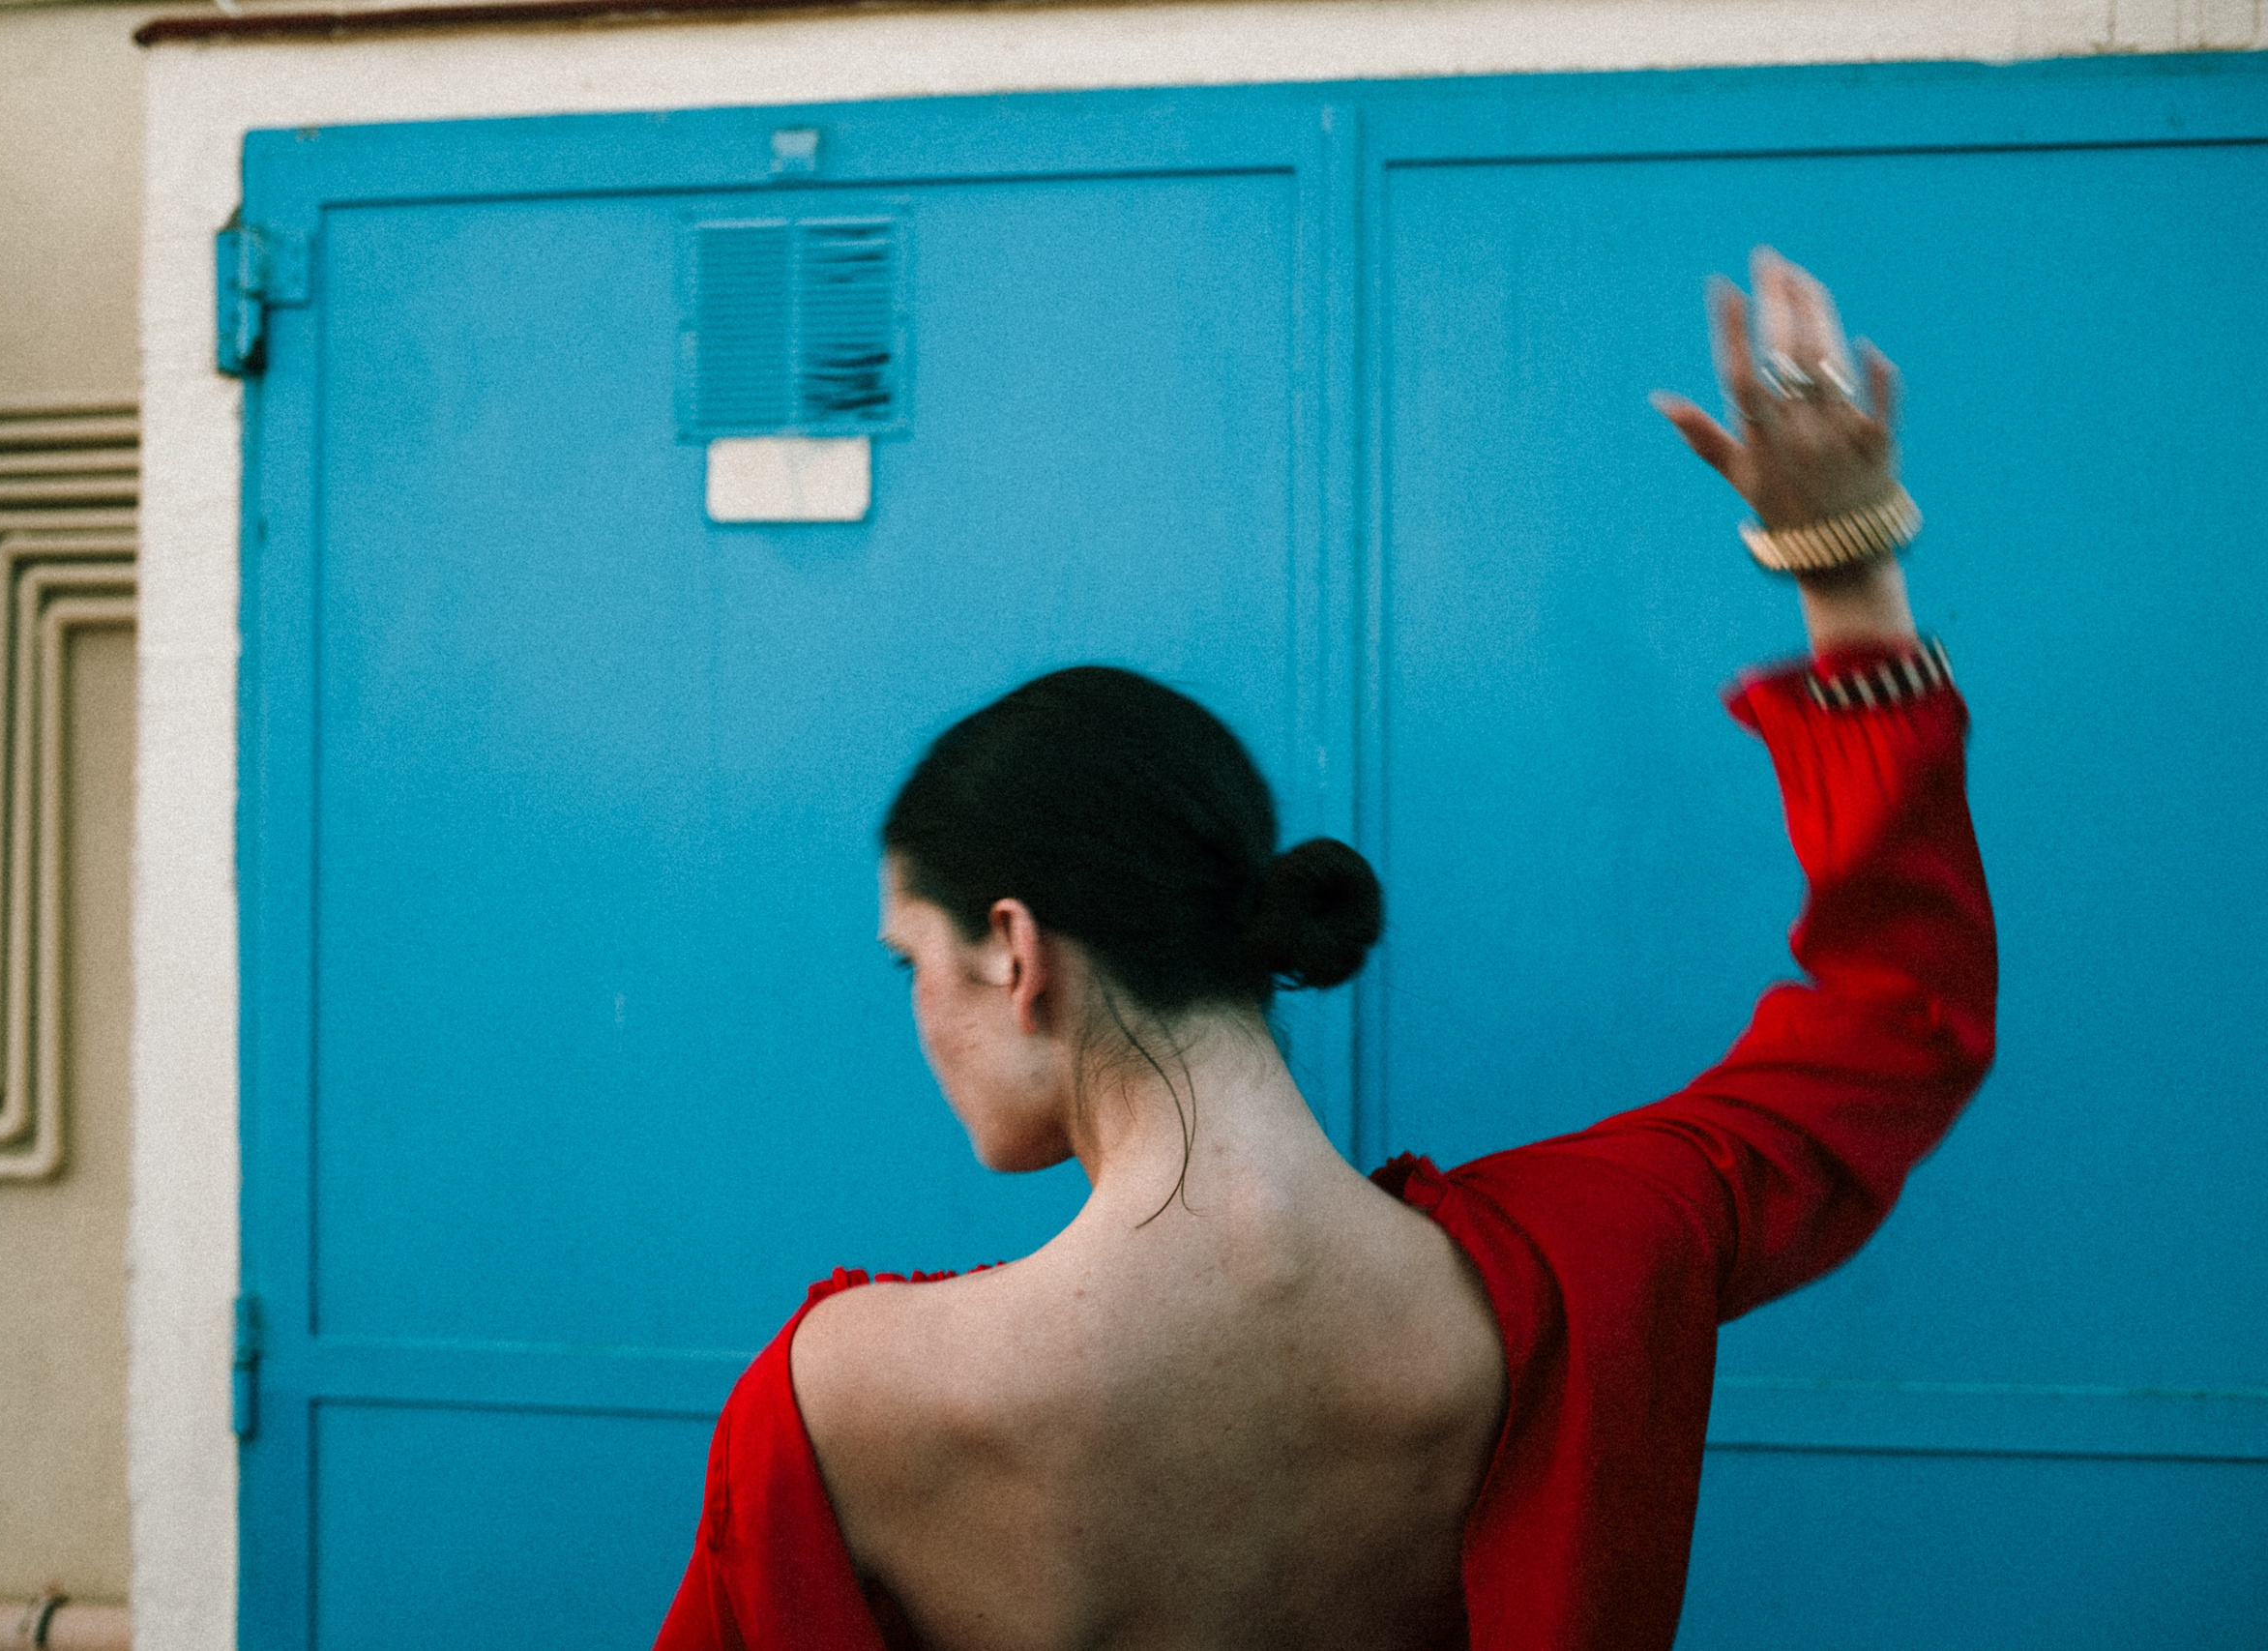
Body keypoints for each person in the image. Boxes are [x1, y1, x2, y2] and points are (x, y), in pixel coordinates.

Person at [653, 251, 1996, 1651]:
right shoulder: (1595, 1261)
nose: (913, 1017)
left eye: (906, 963)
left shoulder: (842, 1406)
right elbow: (1903, 1023)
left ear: (1012, 950)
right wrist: (1848, 567)